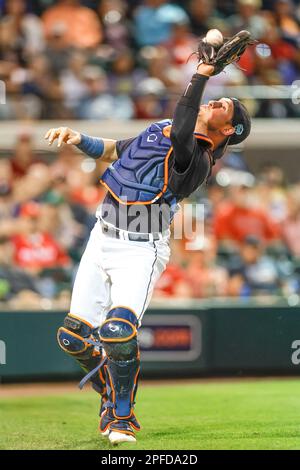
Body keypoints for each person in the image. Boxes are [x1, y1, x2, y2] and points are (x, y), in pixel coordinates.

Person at [45, 58, 251, 445]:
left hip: (140, 248)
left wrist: (201, 75)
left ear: (227, 130)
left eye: (221, 106)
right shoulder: (162, 128)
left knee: (118, 332)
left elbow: (186, 124)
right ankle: (108, 389)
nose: (212, 102)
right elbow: (115, 150)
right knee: (72, 338)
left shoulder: (199, 157)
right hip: (101, 236)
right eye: (214, 98)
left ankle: (123, 417)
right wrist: (78, 138)